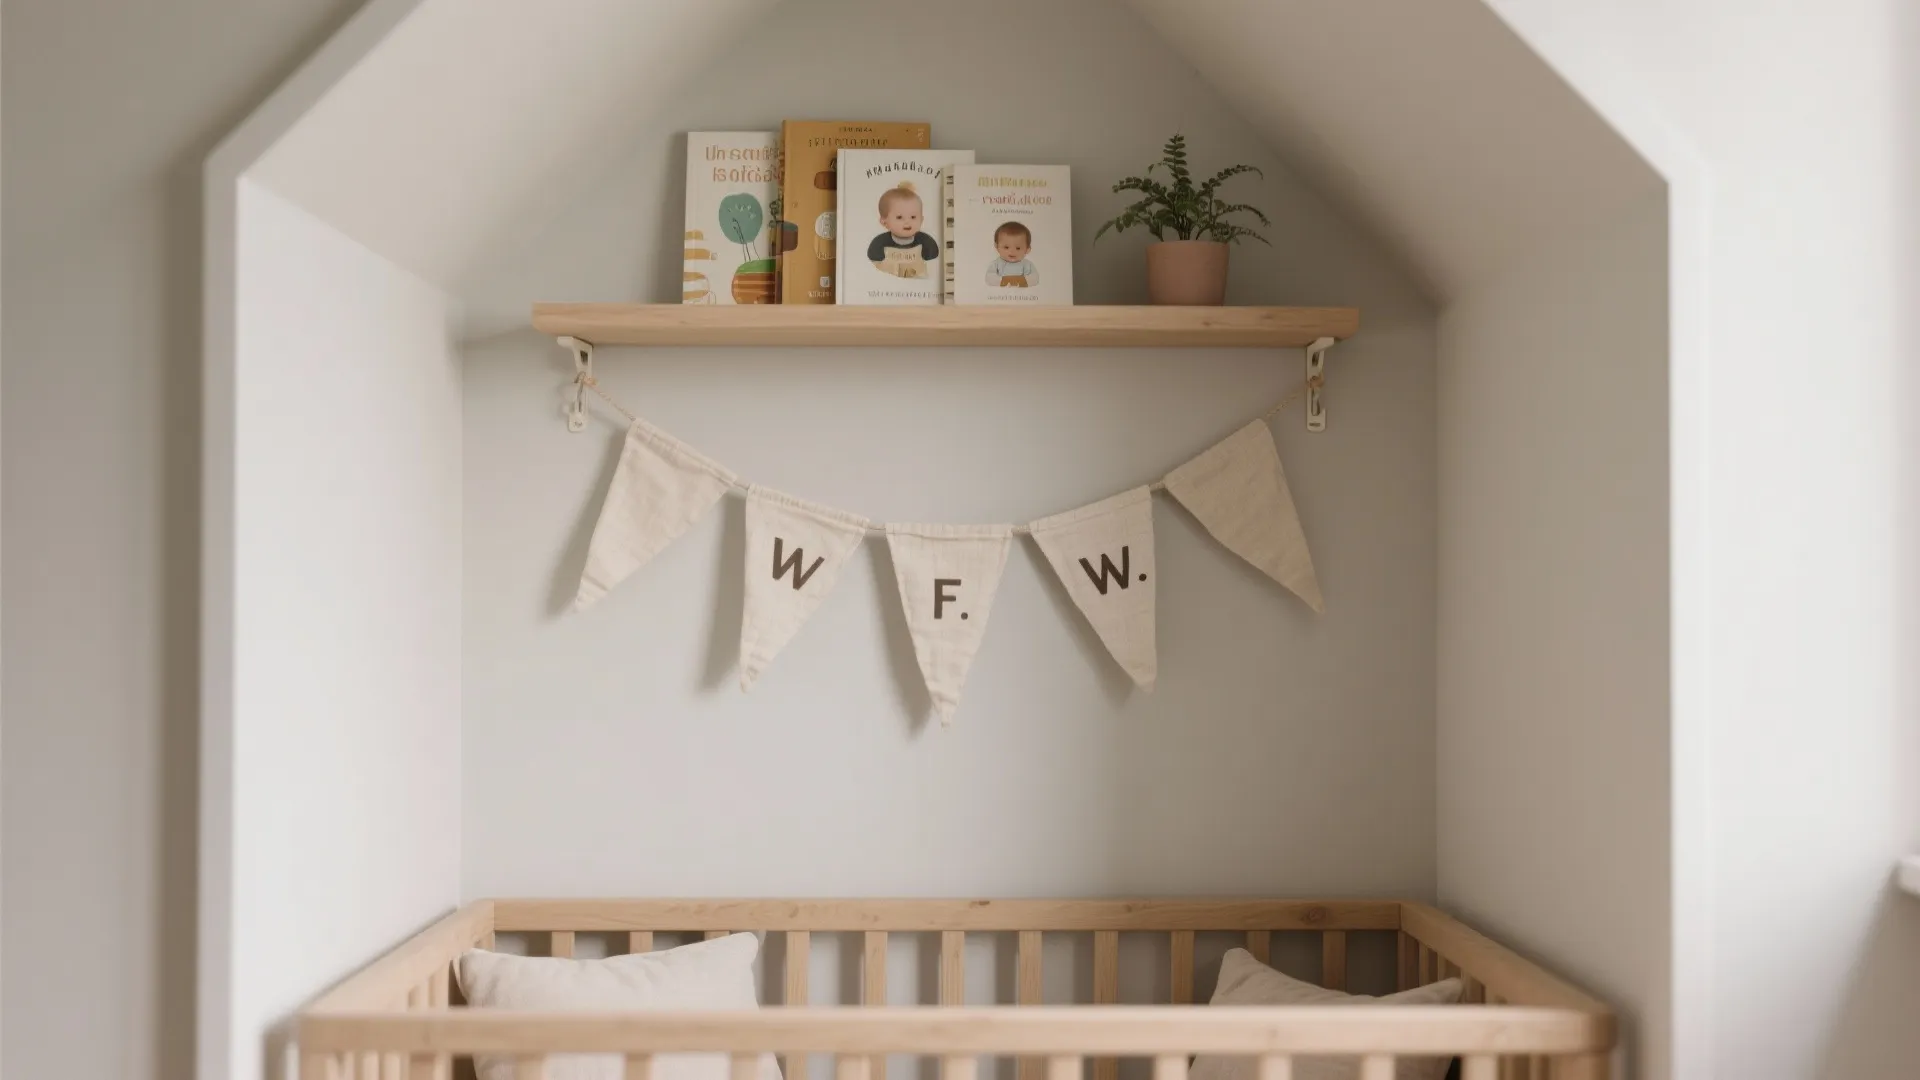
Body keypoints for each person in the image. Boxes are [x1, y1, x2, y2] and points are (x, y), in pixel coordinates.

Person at [866, 185, 939, 278]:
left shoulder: (927, 243)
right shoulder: (878, 244)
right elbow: (874, 270)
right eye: (899, 217)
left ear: (921, 219)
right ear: (884, 222)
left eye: (913, 217)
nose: (907, 222)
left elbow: (933, 267)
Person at [984, 221, 1038, 287]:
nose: (1012, 252)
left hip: (1023, 295)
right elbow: (989, 277)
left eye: (1018, 248)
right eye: (1006, 247)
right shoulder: (996, 264)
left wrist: (1023, 280)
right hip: (1000, 295)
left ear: (1027, 249)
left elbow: (1035, 278)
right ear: (997, 247)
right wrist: (1002, 280)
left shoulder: (1027, 264)